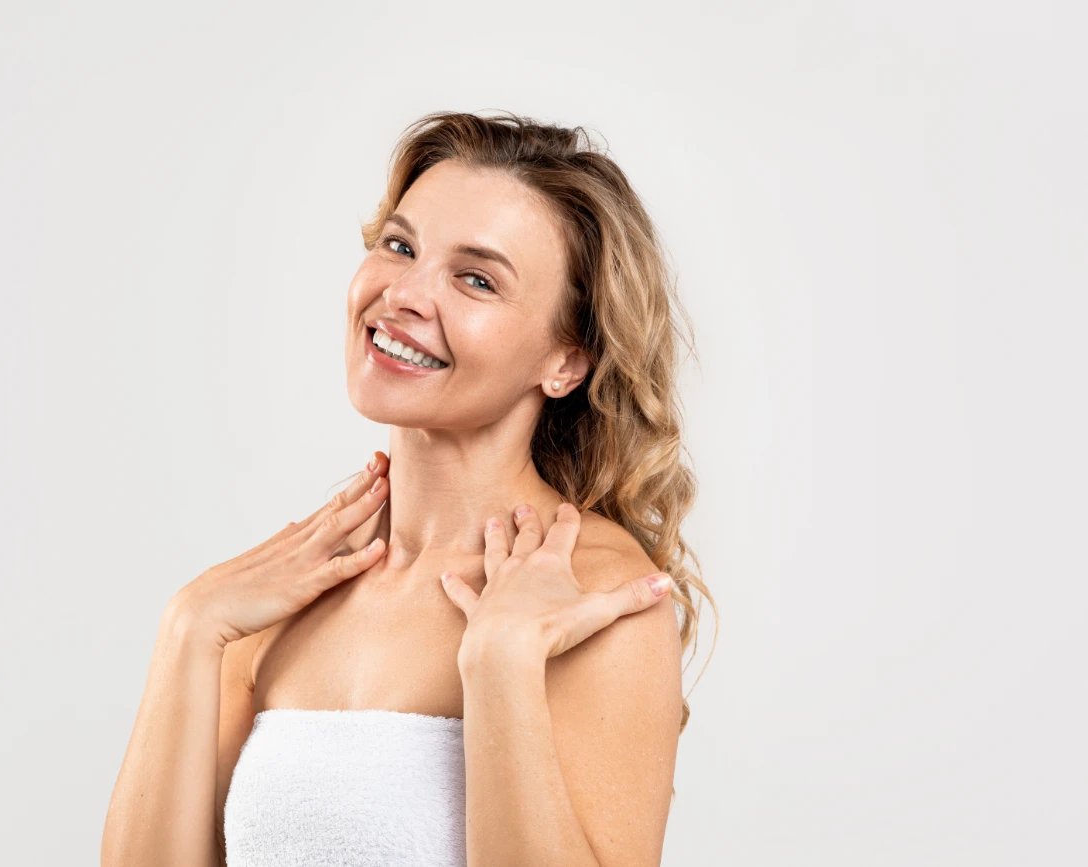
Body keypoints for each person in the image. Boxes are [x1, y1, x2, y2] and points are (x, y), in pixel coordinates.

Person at [101, 110, 718, 867]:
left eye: (476, 278)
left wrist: (500, 664)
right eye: (400, 245)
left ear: (566, 359)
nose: (404, 293)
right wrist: (188, 630)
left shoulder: (599, 594)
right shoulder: (285, 589)